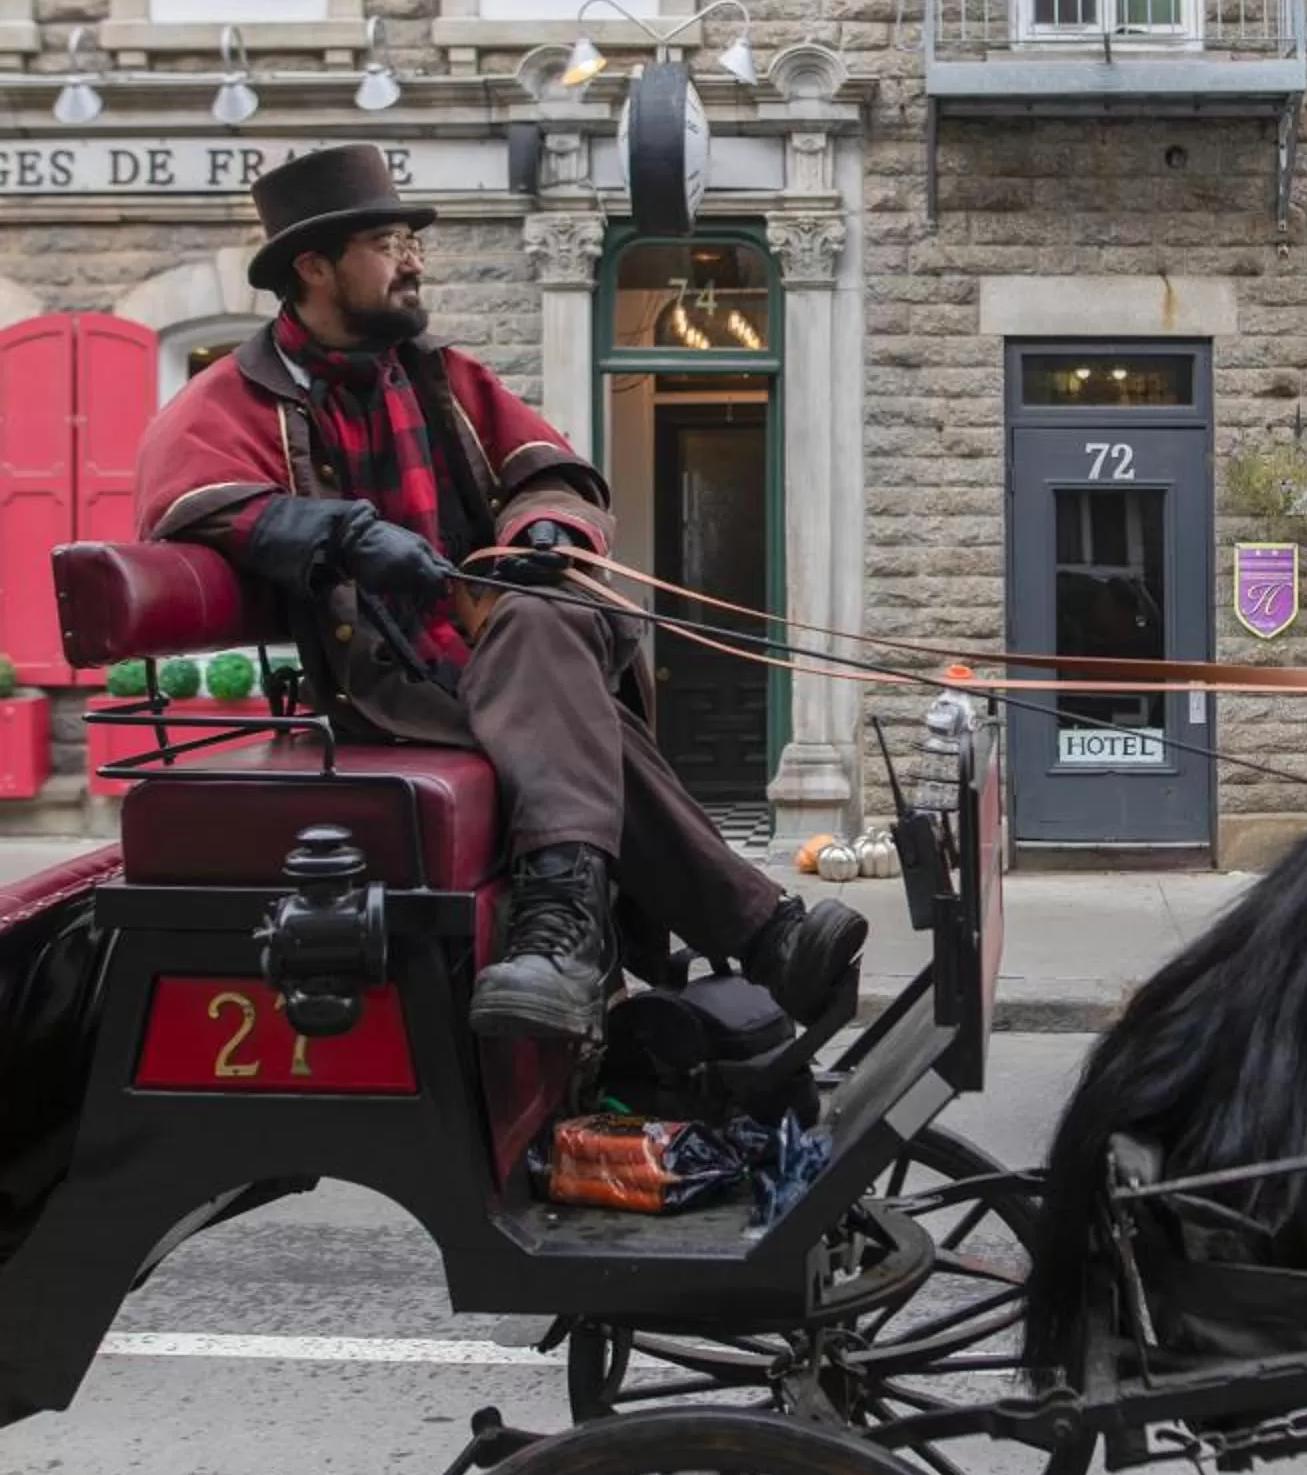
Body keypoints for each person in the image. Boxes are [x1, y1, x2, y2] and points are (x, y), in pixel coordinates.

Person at [131, 143, 866, 1048]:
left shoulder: (441, 375)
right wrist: (348, 535)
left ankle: (590, 940)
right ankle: (742, 931)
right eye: (388, 242)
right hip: (379, 676)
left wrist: (542, 537)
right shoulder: (231, 397)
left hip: (489, 644)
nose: (413, 259)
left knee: (544, 611)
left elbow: (552, 471)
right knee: (550, 649)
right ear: (314, 268)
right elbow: (189, 504)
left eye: (411, 239)